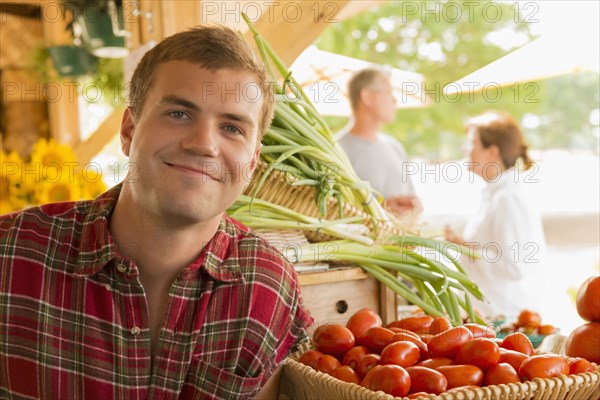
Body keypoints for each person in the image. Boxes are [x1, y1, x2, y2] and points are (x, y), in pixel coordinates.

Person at [0, 25, 313, 399]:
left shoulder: (268, 285)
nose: (203, 144)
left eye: (232, 127)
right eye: (179, 114)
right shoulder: (11, 253)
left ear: (252, 163)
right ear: (130, 130)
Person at [445, 110, 547, 320]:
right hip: (488, 319)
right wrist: (462, 244)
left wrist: (467, 248)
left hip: (505, 322)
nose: (465, 149)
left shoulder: (508, 199)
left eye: (471, 142)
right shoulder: (496, 195)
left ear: (492, 152)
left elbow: (515, 266)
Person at [337, 68, 421, 216]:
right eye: (388, 93)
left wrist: (415, 205)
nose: (395, 100)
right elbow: (331, 209)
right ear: (367, 97)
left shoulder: (395, 147)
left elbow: (411, 197)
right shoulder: (337, 150)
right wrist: (381, 208)